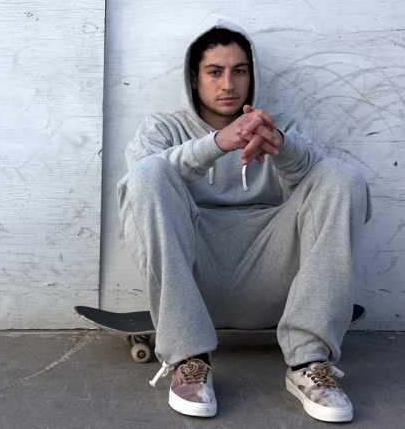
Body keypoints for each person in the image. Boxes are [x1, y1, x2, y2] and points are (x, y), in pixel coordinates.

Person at [117, 21, 371, 422]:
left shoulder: (280, 125)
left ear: (251, 76)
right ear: (193, 78)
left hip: (274, 276)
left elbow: (321, 190)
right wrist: (217, 143)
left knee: (341, 176)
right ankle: (188, 358)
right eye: (214, 71)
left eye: (239, 71)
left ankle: (308, 363)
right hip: (191, 282)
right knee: (146, 174)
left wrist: (281, 146)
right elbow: (141, 185)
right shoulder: (162, 128)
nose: (228, 84)